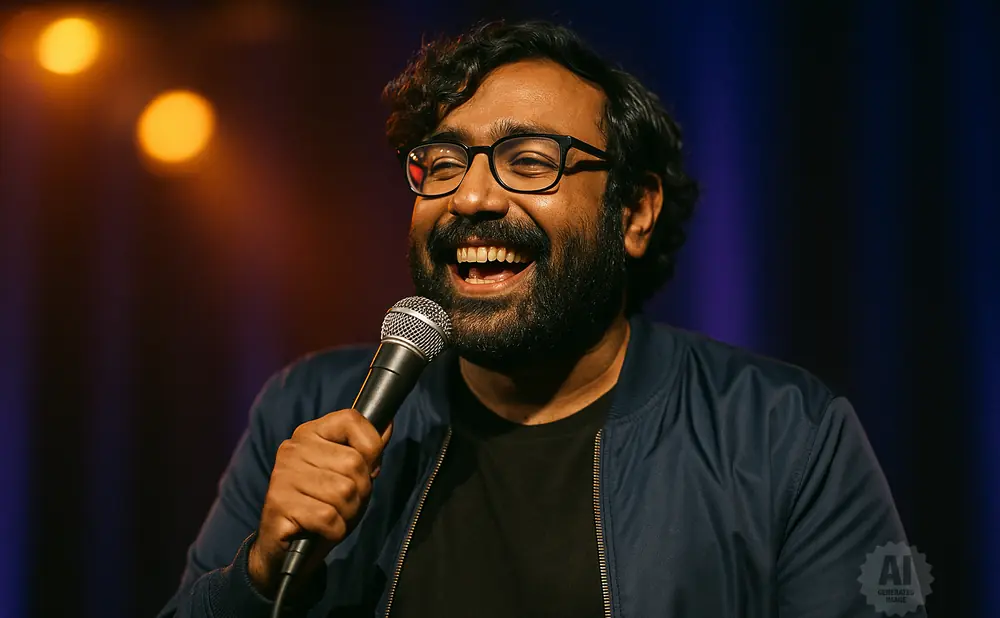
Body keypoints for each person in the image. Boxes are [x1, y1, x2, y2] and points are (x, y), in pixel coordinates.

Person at [159, 20, 922, 618]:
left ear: (634, 210)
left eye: (530, 161)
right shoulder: (312, 406)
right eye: (444, 163)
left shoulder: (785, 434)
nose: (471, 199)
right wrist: (257, 577)